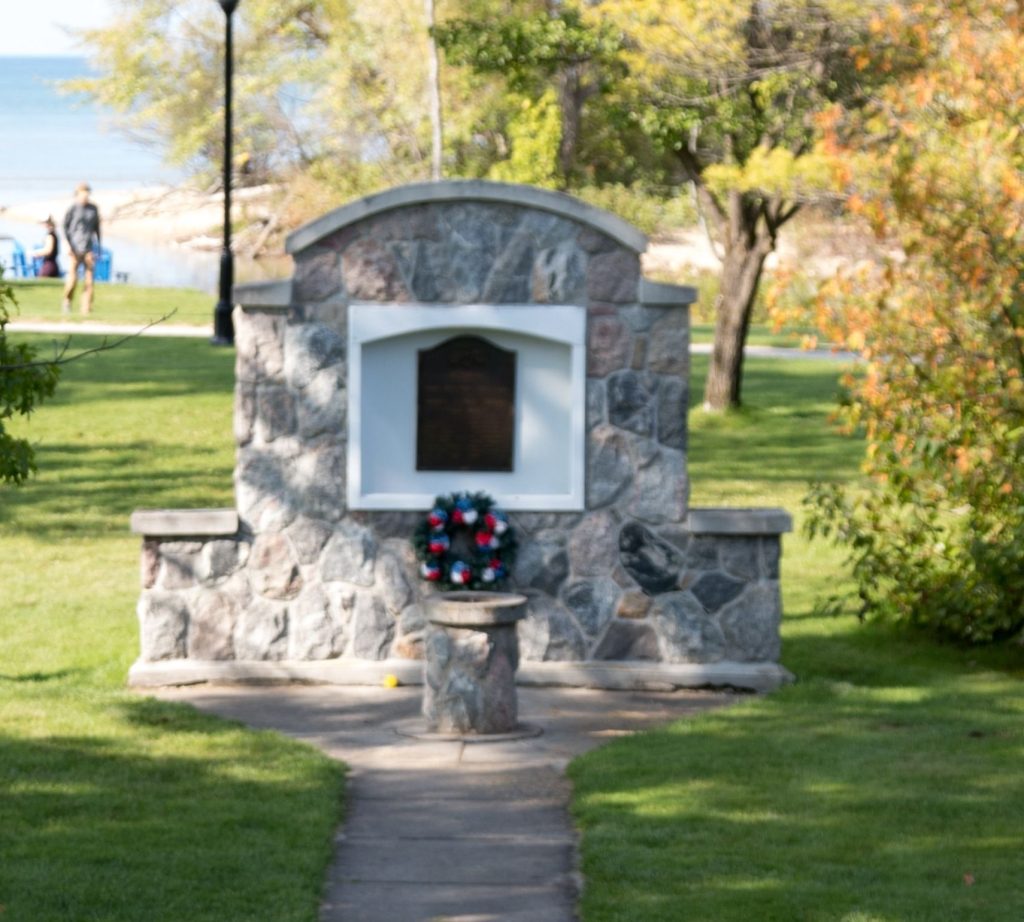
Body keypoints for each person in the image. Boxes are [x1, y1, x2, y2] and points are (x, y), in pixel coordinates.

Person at [62, 182, 101, 315]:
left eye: (87, 193)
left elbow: (97, 229)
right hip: (74, 248)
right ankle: (67, 301)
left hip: (89, 248)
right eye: (83, 193)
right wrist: (67, 245)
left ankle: (86, 309)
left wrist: (98, 248)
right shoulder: (72, 209)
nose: (85, 195)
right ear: (77, 194)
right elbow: (65, 228)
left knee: (89, 281)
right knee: (73, 279)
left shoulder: (93, 209)